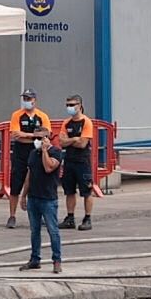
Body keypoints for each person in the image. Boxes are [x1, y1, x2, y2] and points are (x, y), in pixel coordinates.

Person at [20, 131, 64, 273]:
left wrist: (45, 150)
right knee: (35, 231)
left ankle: (56, 260)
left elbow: (49, 167)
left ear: (47, 138)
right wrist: (23, 195)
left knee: (53, 231)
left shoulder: (56, 152)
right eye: (35, 138)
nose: (36, 141)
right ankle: (35, 259)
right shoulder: (33, 153)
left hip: (48, 199)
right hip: (33, 197)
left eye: (40, 138)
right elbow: (29, 174)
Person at [5, 89, 48, 229]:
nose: (27, 101)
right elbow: (16, 134)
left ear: (35, 100)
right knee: (16, 183)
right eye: (25, 98)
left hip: (36, 150)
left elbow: (46, 133)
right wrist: (33, 135)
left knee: (37, 183)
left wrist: (29, 135)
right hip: (20, 152)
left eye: (29, 98)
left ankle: (38, 215)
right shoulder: (17, 115)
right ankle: (12, 216)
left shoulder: (42, 116)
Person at [57, 94, 95, 231]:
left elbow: (83, 143)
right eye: (68, 105)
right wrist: (74, 139)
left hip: (82, 161)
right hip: (69, 160)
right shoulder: (66, 123)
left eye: (72, 105)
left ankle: (87, 218)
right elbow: (61, 141)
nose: (70, 108)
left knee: (86, 191)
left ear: (80, 106)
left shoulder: (86, 122)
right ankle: (70, 218)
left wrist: (70, 140)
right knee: (69, 191)